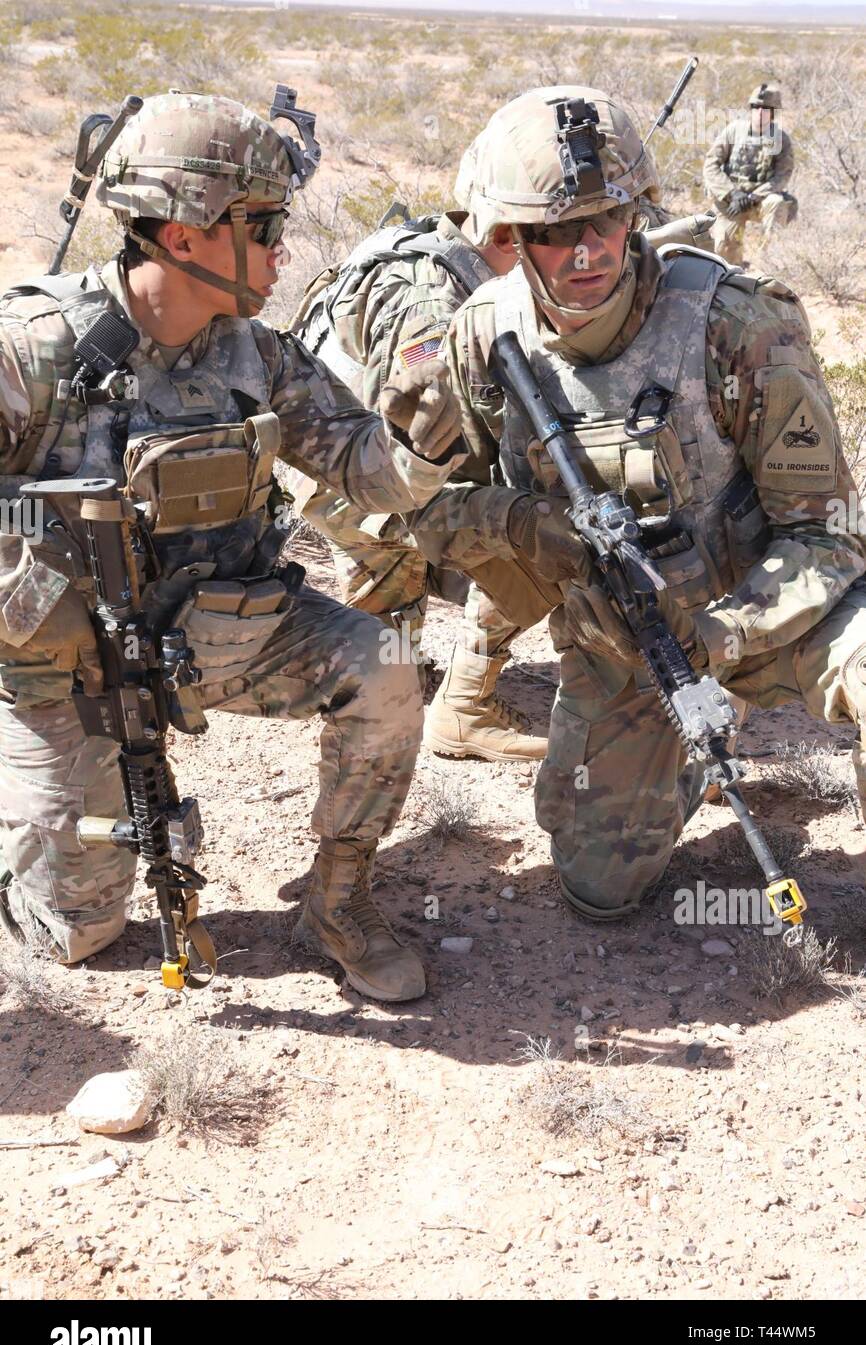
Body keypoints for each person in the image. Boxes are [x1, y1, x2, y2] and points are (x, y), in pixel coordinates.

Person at [0, 89, 470, 1002]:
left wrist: (430, 423)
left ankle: (338, 900)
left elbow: (370, 471)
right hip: (72, 668)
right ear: (182, 234)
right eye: (262, 225)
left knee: (388, 667)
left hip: (223, 635)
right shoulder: (34, 353)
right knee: (79, 934)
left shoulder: (257, 355)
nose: (281, 249)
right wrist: (32, 590)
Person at [405, 85, 866, 919]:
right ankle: (673, 763)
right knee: (598, 890)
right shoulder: (477, 338)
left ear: (638, 215)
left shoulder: (736, 323)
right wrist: (525, 526)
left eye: (605, 222)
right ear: (512, 238)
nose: (585, 252)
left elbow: (830, 535)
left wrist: (725, 631)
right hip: (625, 641)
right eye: (552, 234)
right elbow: (424, 508)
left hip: (774, 611)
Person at [286, 141, 549, 762]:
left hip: (325, 471)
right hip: (365, 480)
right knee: (546, 529)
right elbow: (432, 417)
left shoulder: (430, 245)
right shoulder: (437, 304)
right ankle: (465, 710)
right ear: (511, 233)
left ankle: (366, 680)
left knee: (389, 609)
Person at [703, 82, 796, 264]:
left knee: (777, 203)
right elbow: (710, 165)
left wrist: (753, 197)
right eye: (756, 107)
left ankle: (770, 263)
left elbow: (782, 176)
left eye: (766, 108)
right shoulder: (733, 131)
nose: (760, 112)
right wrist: (732, 193)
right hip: (731, 200)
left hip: (759, 200)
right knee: (725, 249)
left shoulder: (781, 139)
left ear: (773, 112)